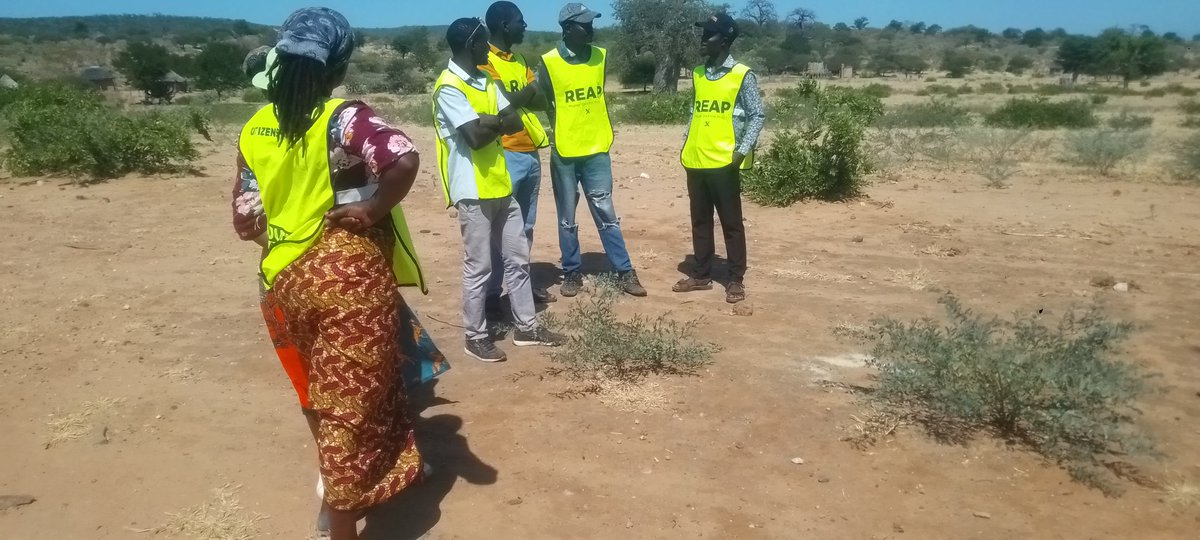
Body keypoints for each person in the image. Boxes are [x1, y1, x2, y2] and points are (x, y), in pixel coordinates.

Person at [232, 8, 435, 540]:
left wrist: (284, 223)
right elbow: (403, 159)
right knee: (350, 405)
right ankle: (341, 524)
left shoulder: (254, 127)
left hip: (280, 282)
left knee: (320, 397)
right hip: (347, 279)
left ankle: (364, 485)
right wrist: (369, 211)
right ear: (339, 64)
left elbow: (244, 219)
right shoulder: (344, 118)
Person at [433, 17, 565, 363]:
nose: (486, 46)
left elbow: (514, 120)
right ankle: (475, 336)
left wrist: (485, 119)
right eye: (481, 42)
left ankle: (526, 327)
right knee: (479, 266)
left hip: (500, 184)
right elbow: (475, 139)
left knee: (518, 259)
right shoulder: (449, 86)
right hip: (472, 189)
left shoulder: (483, 81)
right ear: (469, 45)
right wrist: (493, 121)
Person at [537, 3, 647, 298]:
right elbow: (543, 101)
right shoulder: (548, 63)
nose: (591, 30)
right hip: (565, 153)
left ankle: (624, 270)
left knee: (606, 211)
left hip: (597, 149)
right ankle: (572, 272)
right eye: (585, 25)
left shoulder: (600, 56)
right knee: (567, 217)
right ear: (568, 28)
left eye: (591, 24)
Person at [674, 13, 765, 304]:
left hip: (725, 161)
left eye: (709, 35)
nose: (703, 40)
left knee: (731, 222)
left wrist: (742, 151)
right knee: (699, 220)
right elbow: (696, 111)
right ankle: (700, 274)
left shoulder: (742, 74)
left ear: (724, 40)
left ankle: (734, 278)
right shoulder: (699, 73)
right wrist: (686, 142)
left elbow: (757, 115)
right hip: (696, 159)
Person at [480, 1, 557, 310]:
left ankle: (520, 288)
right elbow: (503, 102)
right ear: (503, 25)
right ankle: (491, 295)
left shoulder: (519, 58)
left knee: (525, 227)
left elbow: (536, 100)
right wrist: (525, 91)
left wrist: (518, 96)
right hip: (505, 153)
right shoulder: (483, 58)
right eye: (520, 21)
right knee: (499, 230)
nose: (525, 26)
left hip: (530, 151)